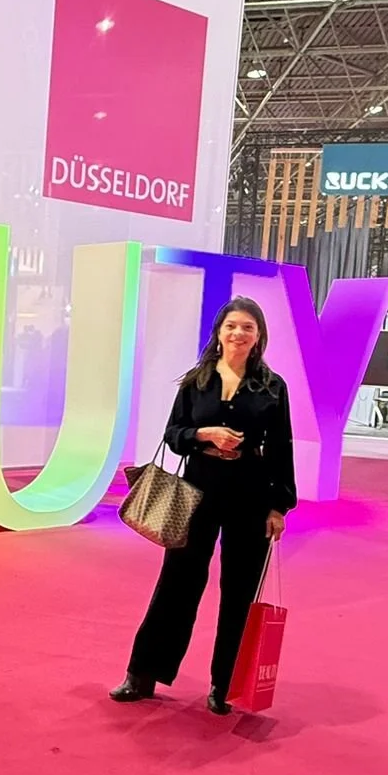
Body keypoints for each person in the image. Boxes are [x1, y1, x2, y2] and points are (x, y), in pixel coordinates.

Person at [112, 298, 294, 716]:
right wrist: (204, 434)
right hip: (197, 491)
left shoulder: (273, 386)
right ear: (219, 332)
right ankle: (142, 674)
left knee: (240, 591)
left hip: (250, 493)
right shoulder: (197, 381)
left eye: (248, 327)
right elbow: (173, 434)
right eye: (232, 326)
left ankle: (224, 685)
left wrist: (279, 506)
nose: (238, 334)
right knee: (177, 582)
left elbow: (281, 448)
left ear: (258, 336)